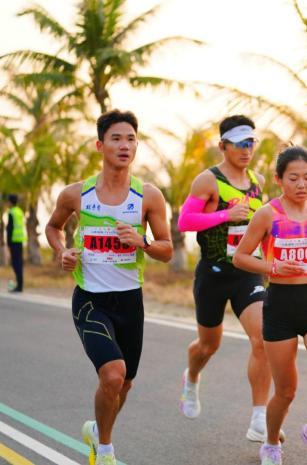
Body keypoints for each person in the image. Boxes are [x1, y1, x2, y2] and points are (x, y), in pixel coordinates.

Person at [45, 109, 173, 465]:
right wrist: (62, 252)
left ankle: (97, 431)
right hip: (91, 301)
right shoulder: (76, 194)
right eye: (116, 138)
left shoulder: (148, 197)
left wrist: (142, 242)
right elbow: (53, 227)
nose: (124, 145)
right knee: (113, 374)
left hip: (130, 301)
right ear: (100, 145)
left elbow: (166, 250)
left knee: (124, 382)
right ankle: (104, 451)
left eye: (131, 139)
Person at [233, 146, 307, 465]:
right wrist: (272, 267)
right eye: (293, 178)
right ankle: (271, 444)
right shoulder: (267, 214)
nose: (301, 184)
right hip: (280, 309)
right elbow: (240, 257)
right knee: (286, 392)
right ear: (278, 179)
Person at [176, 114, 277, 441]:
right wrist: (224, 214)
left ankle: (259, 419)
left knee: (263, 338)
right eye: (239, 144)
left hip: (247, 274)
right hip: (213, 274)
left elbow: (260, 226)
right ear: (223, 146)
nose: (246, 150)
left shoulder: (258, 181)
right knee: (208, 345)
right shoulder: (208, 180)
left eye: (251, 143)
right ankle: (192, 378)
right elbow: (184, 221)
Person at [5, 194, 26, 292]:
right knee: (19, 263)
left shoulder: (11, 212)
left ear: (10, 202)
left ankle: (19, 286)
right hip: (20, 240)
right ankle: (20, 285)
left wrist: (8, 243)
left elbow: (10, 228)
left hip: (14, 240)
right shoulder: (20, 211)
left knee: (15, 263)